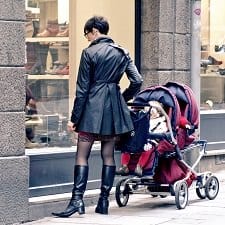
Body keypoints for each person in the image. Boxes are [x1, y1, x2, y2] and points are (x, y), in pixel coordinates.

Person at [52, 15, 143, 217]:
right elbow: (137, 81)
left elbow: (82, 90)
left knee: (82, 154)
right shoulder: (122, 52)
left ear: (94, 31)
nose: (87, 38)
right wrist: (121, 98)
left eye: (87, 34)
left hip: (91, 109)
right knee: (108, 155)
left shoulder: (89, 52)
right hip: (112, 110)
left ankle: (77, 201)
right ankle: (103, 202)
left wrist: (74, 119)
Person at [116, 102, 168, 177]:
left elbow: (161, 133)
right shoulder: (142, 119)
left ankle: (139, 166)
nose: (150, 113)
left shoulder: (161, 122)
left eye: (152, 111)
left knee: (147, 148)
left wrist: (152, 136)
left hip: (150, 141)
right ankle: (124, 166)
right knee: (126, 147)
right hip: (139, 140)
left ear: (159, 113)